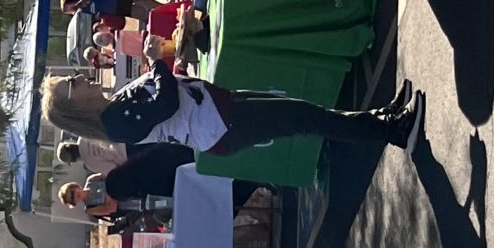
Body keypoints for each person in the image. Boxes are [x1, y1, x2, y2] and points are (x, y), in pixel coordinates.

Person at [48, 58, 424, 160]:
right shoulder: (116, 124)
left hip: (220, 108)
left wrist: (165, 71)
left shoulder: (116, 103)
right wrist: (157, 64)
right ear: (74, 106)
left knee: (305, 112)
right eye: (72, 84)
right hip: (221, 125)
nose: (79, 78)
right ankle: (391, 131)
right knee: (307, 119)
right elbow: (165, 102)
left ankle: (381, 119)